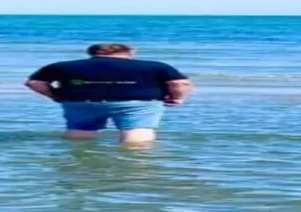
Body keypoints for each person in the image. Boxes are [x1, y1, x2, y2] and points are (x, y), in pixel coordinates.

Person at [25, 43, 194, 147]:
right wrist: (178, 98)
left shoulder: (62, 66)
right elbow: (179, 83)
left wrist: (55, 96)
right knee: (137, 136)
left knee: (80, 133)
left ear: (92, 53)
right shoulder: (155, 66)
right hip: (137, 104)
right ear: (130, 53)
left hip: (81, 102)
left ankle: (79, 156)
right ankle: (135, 166)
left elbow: (34, 82)